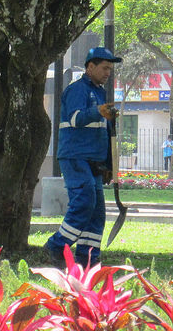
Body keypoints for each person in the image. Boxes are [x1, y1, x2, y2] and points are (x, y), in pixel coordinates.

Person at [44, 46, 122, 268]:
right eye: (105, 68)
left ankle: (87, 259)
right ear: (90, 67)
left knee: (96, 213)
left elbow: (104, 131)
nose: (108, 72)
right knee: (85, 202)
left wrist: (108, 163)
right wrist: (98, 111)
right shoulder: (77, 90)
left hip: (93, 161)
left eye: (110, 68)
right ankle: (56, 246)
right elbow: (76, 119)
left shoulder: (100, 92)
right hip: (75, 157)